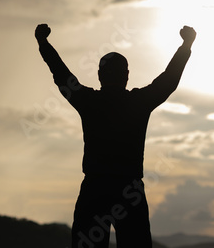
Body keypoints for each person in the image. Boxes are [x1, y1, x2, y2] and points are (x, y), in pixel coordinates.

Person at [35, 23, 196, 248]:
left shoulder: (88, 101)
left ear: (100, 75)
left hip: (95, 189)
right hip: (129, 191)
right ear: (127, 76)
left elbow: (61, 75)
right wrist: (186, 45)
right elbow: (168, 81)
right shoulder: (138, 102)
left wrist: (43, 43)